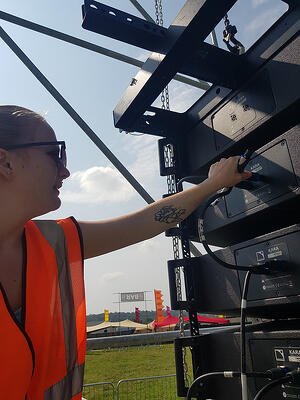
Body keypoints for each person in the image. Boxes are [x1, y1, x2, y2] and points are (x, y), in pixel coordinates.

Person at [0, 105, 252, 399]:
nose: (65, 170)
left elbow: (144, 223)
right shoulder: (56, 241)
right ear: (5, 162)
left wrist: (213, 184)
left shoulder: (55, 240)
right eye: (54, 154)